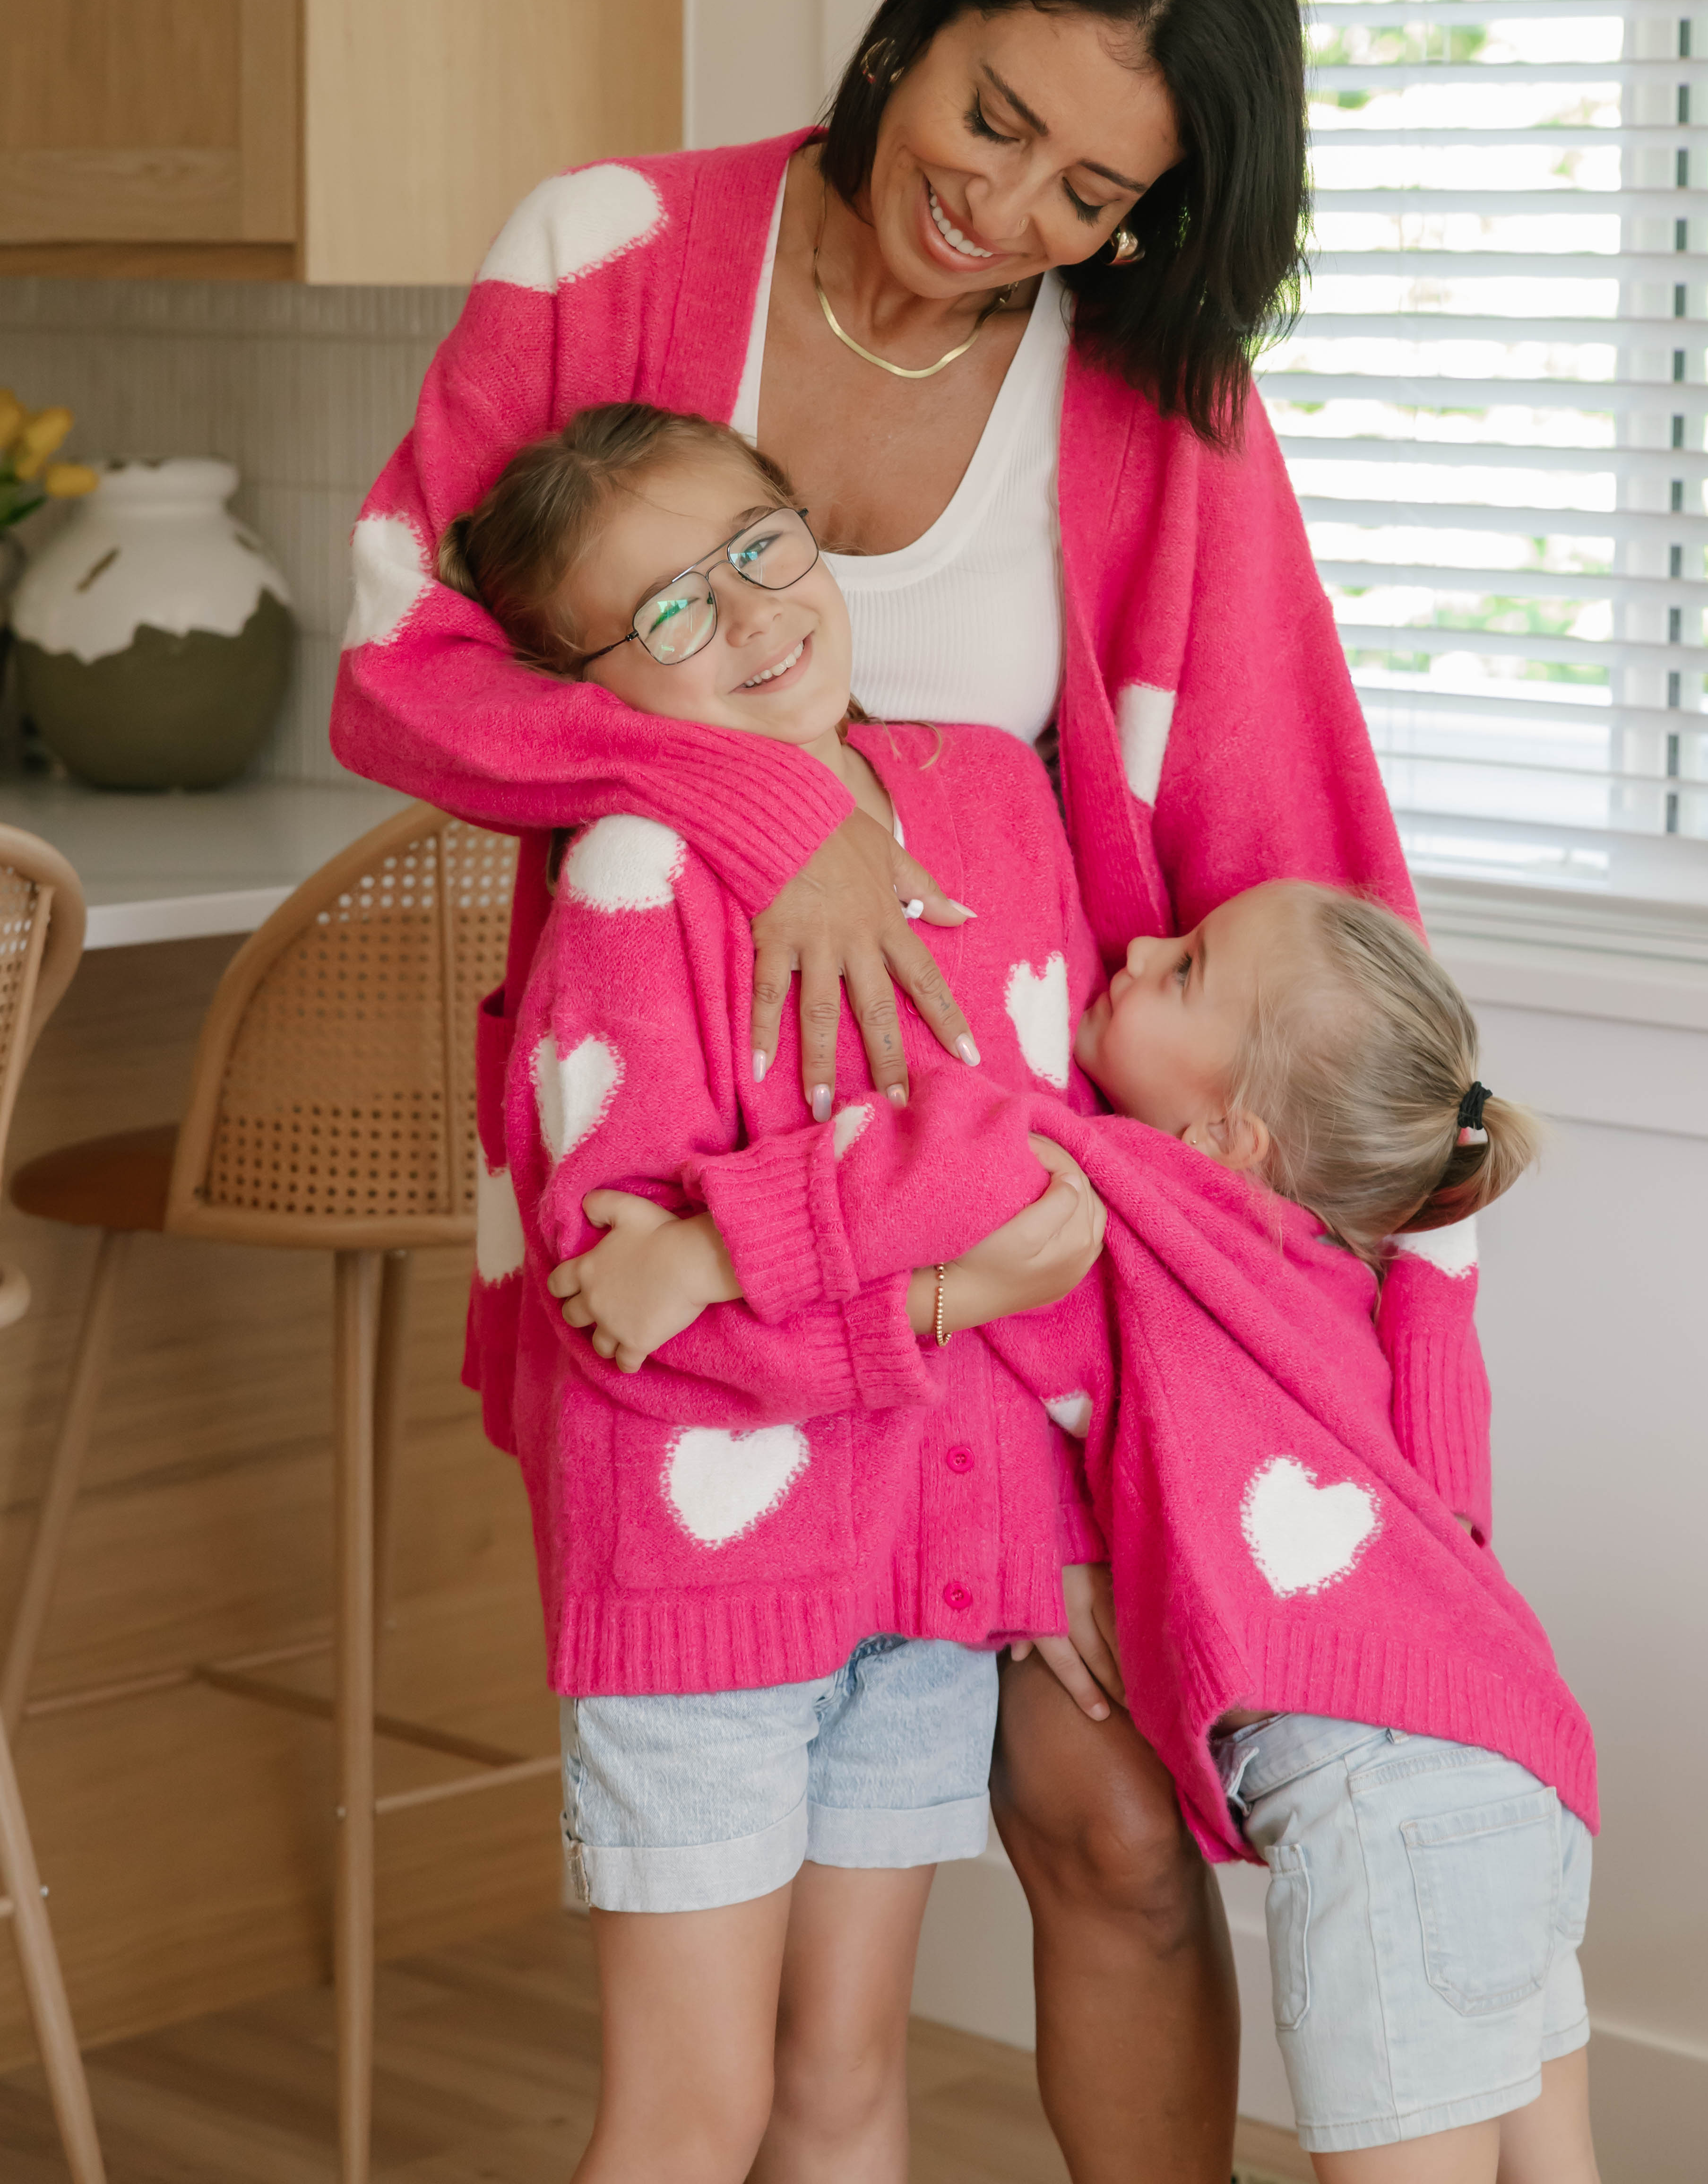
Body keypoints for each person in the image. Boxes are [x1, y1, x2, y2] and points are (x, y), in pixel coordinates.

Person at [333, 0, 1414, 2181]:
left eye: (1088, 189)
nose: (1002, 205)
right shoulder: (609, 251)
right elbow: (399, 660)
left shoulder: (1149, 394)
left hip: (1025, 1242)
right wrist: (748, 796)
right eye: (990, 115)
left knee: (1112, 1824)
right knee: (739, 1984)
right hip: (699, 1226)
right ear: (911, 26)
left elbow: (1279, 840)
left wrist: (1334, 1284)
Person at [604, 877, 1601, 2184]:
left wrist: (696, 1257)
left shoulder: (1120, 1185)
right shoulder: (1324, 1256)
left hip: (1384, 1797)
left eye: (1184, 971)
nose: (1139, 945)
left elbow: (932, 1155)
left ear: (1228, 1132)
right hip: (1517, 1743)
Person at [440, 399, 1116, 2182]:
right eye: (667, 611)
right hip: (700, 1577)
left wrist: (740, 1244)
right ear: (587, 688)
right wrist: (926, 1294)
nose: (746, 616)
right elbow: (625, 1320)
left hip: (925, 1560)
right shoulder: (634, 871)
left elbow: (1039, 1172)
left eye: (758, 549)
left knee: (843, 2088)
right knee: (694, 2114)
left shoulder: (992, 794)